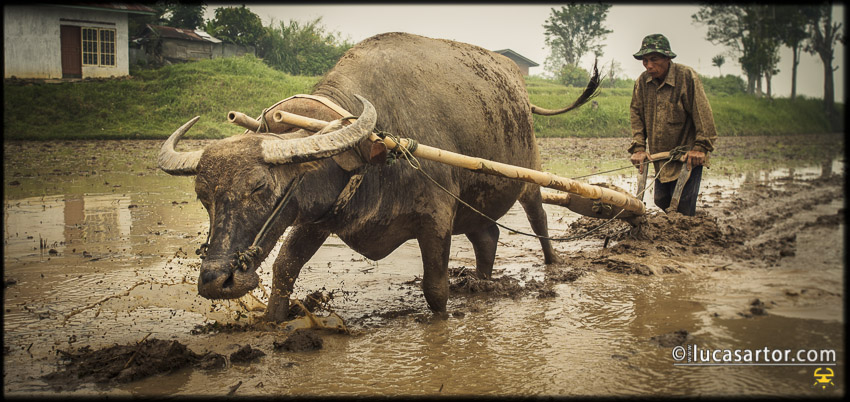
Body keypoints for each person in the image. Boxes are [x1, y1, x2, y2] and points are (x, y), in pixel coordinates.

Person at [628, 33, 717, 216]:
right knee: (661, 200)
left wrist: (700, 147)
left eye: (654, 59)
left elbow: (703, 113)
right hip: (660, 156)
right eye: (645, 60)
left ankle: (688, 237)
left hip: (688, 156)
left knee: (683, 204)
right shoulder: (643, 82)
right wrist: (638, 147)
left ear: (667, 58)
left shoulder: (686, 77)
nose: (649, 65)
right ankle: (677, 226)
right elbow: (636, 115)